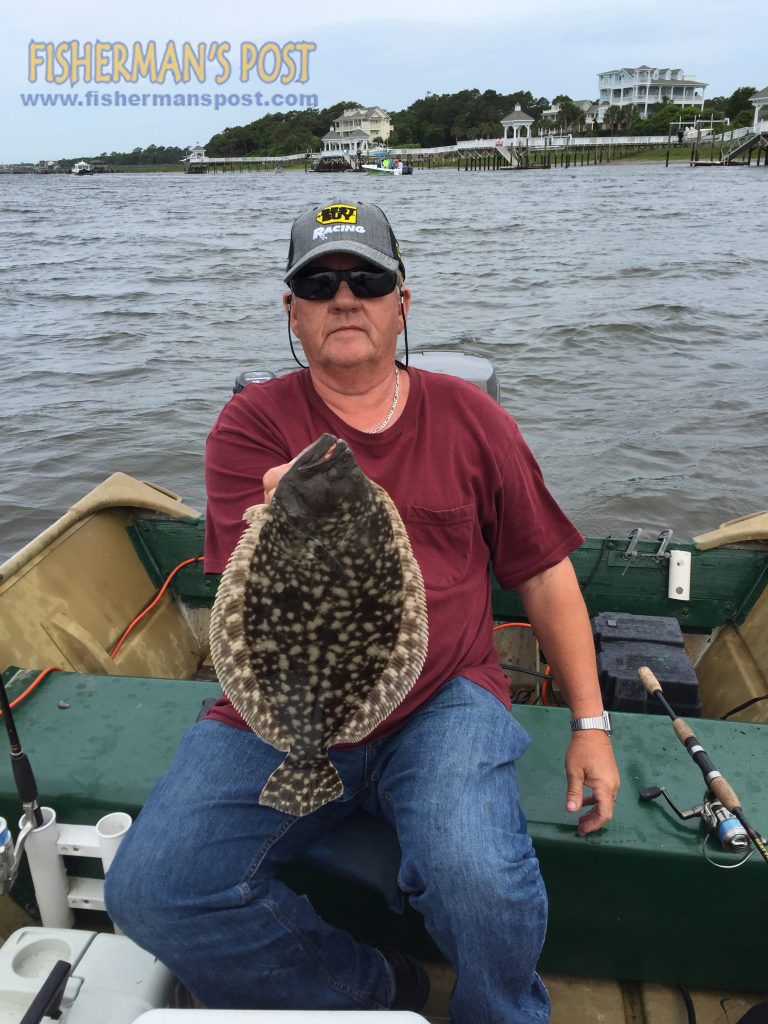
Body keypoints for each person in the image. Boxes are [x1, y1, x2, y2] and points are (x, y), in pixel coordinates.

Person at [105, 200, 620, 1023]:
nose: (344, 297)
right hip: (284, 706)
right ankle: (371, 991)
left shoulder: (471, 417)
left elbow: (545, 572)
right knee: (150, 890)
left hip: (445, 696)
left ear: (401, 303)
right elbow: (252, 600)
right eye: (319, 282)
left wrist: (592, 728)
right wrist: (284, 516)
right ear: (293, 312)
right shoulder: (250, 426)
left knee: (480, 876)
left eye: (367, 279)